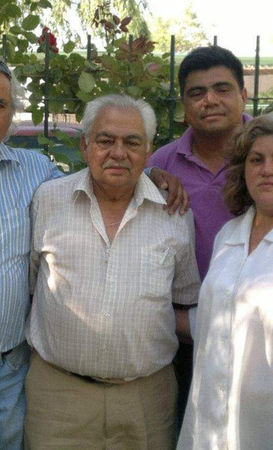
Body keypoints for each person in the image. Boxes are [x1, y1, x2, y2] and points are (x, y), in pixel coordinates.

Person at [0, 53, 188, 449]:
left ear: (10, 116)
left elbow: (101, 177)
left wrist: (149, 174)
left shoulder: (36, 173)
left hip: (7, 377)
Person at [25, 93, 201, 449]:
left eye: (132, 142)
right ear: (85, 145)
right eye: (105, 140)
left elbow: (183, 300)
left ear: (149, 151)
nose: (118, 153)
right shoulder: (48, 200)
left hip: (146, 399)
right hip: (57, 398)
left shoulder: (175, 215)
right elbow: (30, 283)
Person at [148, 45, 250, 425]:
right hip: (183, 343)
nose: (210, 100)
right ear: (184, 105)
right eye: (197, 92)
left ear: (243, 95)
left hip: (256, 336)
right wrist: (148, 175)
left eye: (222, 89)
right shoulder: (162, 163)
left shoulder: (265, 154)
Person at [178, 113, 273, 449]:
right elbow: (216, 316)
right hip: (210, 423)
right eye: (257, 160)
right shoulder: (229, 235)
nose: (267, 170)